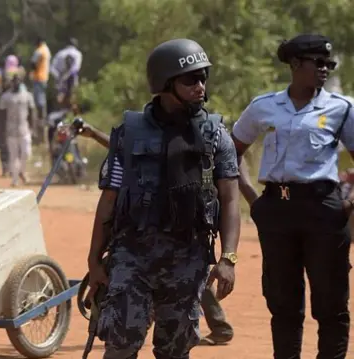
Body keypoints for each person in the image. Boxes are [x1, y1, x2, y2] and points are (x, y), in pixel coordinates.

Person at [88, 38, 240, 359]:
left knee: (175, 350)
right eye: (190, 80)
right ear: (164, 83)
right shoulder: (129, 133)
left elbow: (229, 199)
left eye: (203, 77)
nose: (200, 86)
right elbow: (110, 198)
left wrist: (228, 258)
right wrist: (94, 260)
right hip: (132, 256)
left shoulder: (215, 134)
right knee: (121, 345)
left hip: (188, 259)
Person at [232, 34, 352, 359]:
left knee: (331, 305)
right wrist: (253, 200)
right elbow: (232, 152)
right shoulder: (263, 106)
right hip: (276, 211)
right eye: (318, 62)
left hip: (324, 212)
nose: (325, 69)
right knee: (283, 303)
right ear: (295, 64)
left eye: (329, 64)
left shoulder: (342, 108)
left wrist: (349, 204)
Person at [0, 70, 35, 186]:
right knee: (13, 156)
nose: (16, 83)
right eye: (14, 81)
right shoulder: (6, 97)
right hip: (11, 130)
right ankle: (15, 179)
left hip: (24, 129)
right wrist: (1, 130)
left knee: (26, 153)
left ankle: (22, 171)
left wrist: (33, 127)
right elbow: (2, 115)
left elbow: (32, 112)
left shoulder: (27, 96)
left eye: (18, 80)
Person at [29, 36, 51, 145]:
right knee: (42, 105)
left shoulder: (39, 51)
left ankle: (40, 136)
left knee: (38, 106)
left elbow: (33, 63)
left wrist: (31, 72)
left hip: (38, 78)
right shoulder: (47, 50)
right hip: (44, 78)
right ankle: (42, 135)